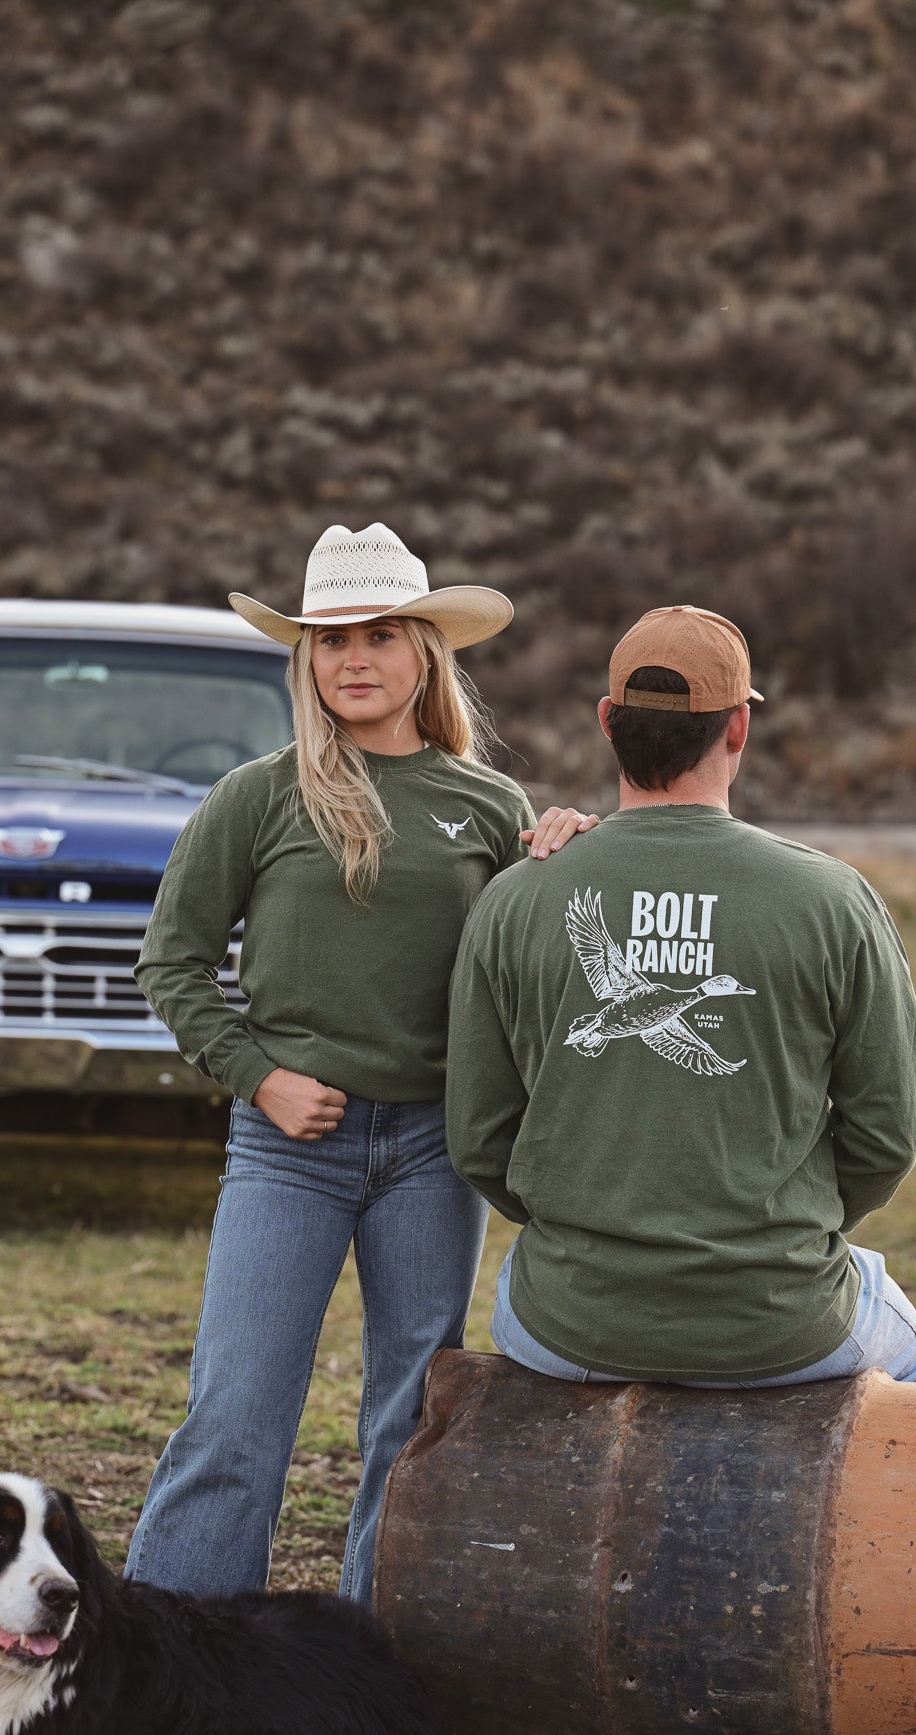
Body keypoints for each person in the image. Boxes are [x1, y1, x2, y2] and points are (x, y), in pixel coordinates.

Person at [125, 522, 598, 1604]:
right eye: (330, 638)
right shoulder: (261, 793)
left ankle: (370, 1661)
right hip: (291, 1145)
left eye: (380, 634)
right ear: (305, 658)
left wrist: (568, 858)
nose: (354, 658)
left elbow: (528, 967)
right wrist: (258, 1074)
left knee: (411, 1412)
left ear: (425, 651)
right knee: (238, 1408)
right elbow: (173, 961)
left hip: (435, 1145)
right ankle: (173, 1653)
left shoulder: (489, 806)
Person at [445, 603, 916, 1390]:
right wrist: (783, 1231)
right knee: (913, 1363)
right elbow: (888, 1130)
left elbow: (477, 1137)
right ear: (737, 728)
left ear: (608, 722)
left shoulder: (515, 898)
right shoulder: (832, 899)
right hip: (776, 1316)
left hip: (570, 1316)